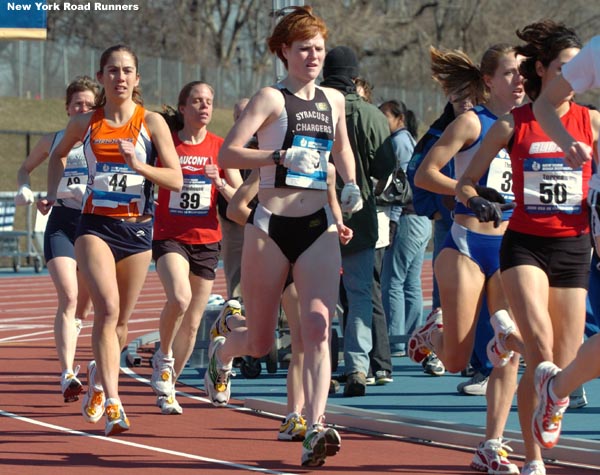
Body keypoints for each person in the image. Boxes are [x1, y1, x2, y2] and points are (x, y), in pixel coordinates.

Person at [204, 6, 361, 467]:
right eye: (303, 48)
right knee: (261, 343)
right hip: (270, 227)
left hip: (318, 227)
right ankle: (224, 348)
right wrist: (280, 156)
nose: (313, 55)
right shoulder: (270, 100)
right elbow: (230, 151)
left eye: (318, 48)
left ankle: (315, 427)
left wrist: (349, 185)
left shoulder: (334, 100)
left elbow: (343, 149)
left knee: (316, 327)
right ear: (284, 53)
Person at [455, 21, 594, 475]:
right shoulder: (515, 123)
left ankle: (504, 339)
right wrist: (475, 198)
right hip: (526, 247)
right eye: (563, 69)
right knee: (542, 352)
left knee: (564, 364)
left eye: (579, 71)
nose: (573, 79)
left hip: (574, 248)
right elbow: (466, 181)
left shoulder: (591, 121)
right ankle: (533, 459)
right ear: (543, 69)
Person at [42, 44, 183, 436]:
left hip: (136, 229)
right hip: (94, 226)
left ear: (137, 78)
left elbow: (176, 179)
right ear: (102, 77)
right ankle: (116, 406)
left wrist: (140, 166)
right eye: (112, 71)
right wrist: (54, 194)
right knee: (105, 308)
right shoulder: (87, 122)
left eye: (127, 71)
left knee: (121, 322)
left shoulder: (152, 123)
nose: (120, 77)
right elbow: (57, 156)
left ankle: (99, 380)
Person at [412, 44, 526, 474]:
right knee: (457, 361)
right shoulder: (470, 122)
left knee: (507, 349)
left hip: (513, 249)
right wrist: (470, 192)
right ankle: (432, 333)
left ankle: (492, 444)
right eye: (511, 73)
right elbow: (425, 174)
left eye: (523, 73)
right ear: (489, 80)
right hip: (466, 244)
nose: (519, 80)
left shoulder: (530, 126)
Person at [223, 163, 352, 441]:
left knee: (305, 338)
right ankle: (224, 344)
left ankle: (295, 415)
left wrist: (339, 226)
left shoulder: (325, 170)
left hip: (305, 259)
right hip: (270, 252)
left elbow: (331, 206)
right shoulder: (268, 169)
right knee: (260, 343)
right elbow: (235, 208)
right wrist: (271, 228)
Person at [527, 34, 600, 450]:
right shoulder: (596, 51)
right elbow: (542, 105)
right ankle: (559, 388)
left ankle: (557, 386)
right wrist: (564, 142)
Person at [149, 81, 239, 415]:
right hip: (170, 237)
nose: (204, 107)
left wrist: (221, 182)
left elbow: (239, 199)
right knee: (180, 298)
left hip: (207, 239)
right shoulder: (167, 145)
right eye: (197, 101)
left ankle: (169, 385)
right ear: (183, 108)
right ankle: (164, 357)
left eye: (209, 102)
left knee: (192, 322)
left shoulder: (221, 147)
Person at [15, 76, 97, 403]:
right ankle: (67, 375)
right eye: (78, 104)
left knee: (86, 307)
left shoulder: (101, 141)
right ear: (67, 108)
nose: (83, 109)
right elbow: (24, 169)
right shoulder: (53, 140)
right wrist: (26, 188)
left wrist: (89, 193)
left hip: (94, 226)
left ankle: (80, 347)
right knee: (69, 295)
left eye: (89, 105)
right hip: (62, 223)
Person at [320, 45, 396, 397]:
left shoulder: (309, 107)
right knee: (361, 293)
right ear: (354, 76)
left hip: (311, 213)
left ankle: (318, 364)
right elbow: (385, 168)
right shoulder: (370, 115)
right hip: (359, 215)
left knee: (315, 295)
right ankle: (357, 367)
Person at [378, 100, 433, 369]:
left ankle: (396, 341)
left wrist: (393, 219)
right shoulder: (409, 140)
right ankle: (413, 337)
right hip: (421, 219)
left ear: (398, 117)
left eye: (384, 116)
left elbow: (401, 184)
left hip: (408, 218)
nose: (380, 121)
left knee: (393, 280)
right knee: (411, 281)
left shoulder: (399, 143)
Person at [216, 97, 252, 300]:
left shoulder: (266, 143)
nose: (242, 121)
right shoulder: (227, 145)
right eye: (238, 116)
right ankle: (236, 312)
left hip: (260, 217)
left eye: (246, 115)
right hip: (233, 219)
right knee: (235, 274)